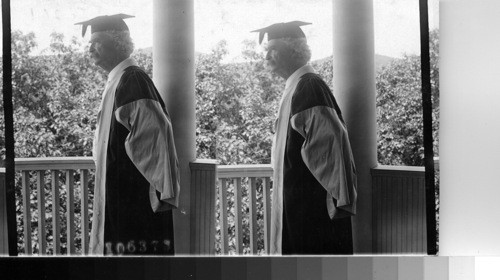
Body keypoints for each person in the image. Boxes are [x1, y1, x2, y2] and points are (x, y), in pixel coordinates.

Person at [75, 14, 180, 255]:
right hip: (119, 195)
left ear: (118, 43)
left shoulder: (133, 80)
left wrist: (161, 194)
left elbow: (157, 141)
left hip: (134, 200)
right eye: (90, 43)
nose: (90, 48)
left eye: (97, 42)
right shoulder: (118, 80)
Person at [252, 21, 358, 255]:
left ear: (294, 50)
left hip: (311, 208)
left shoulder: (309, 88)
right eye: (266, 49)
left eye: (273, 49)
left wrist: (339, 199)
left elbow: (333, 149)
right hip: (297, 202)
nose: (266, 55)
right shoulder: (297, 86)